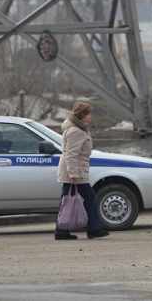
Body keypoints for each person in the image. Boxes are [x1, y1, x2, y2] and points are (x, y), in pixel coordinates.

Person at [55, 101, 108, 240]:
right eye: (89, 114)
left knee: (67, 200)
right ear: (83, 115)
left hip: (75, 171)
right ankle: (94, 229)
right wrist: (73, 173)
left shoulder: (78, 129)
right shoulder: (76, 131)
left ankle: (62, 230)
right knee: (89, 198)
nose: (91, 117)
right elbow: (71, 154)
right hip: (75, 172)